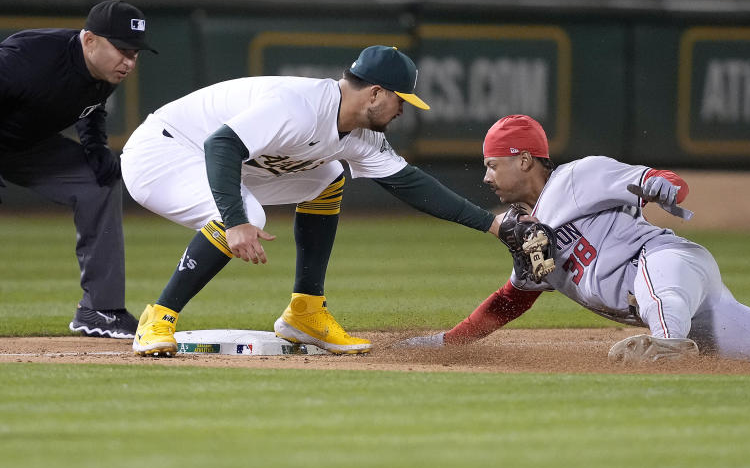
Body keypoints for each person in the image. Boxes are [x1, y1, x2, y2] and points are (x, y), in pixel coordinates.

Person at [396, 115, 750, 372]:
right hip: (687, 310)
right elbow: (512, 299)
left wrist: (664, 186)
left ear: (523, 158)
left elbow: (651, 176)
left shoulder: (577, 176)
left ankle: (668, 342)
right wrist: (449, 342)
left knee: (652, 284)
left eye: (493, 164)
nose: (486, 176)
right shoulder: (527, 238)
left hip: (671, 263)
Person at [122, 45, 506, 357]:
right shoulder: (298, 105)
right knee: (246, 213)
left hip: (230, 162)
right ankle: (157, 318)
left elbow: (411, 184)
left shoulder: (361, 134)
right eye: (400, 99)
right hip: (162, 153)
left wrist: (493, 224)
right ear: (375, 93)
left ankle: (304, 312)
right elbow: (220, 144)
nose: (403, 109)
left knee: (327, 178)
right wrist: (236, 220)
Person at [0, 0, 158, 338]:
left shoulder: (106, 67)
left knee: (97, 183)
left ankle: (100, 310)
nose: (129, 61)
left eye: (135, 53)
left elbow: (90, 108)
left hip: (26, 147)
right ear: (89, 40)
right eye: (122, 50)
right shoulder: (28, 59)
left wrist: (96, 147)